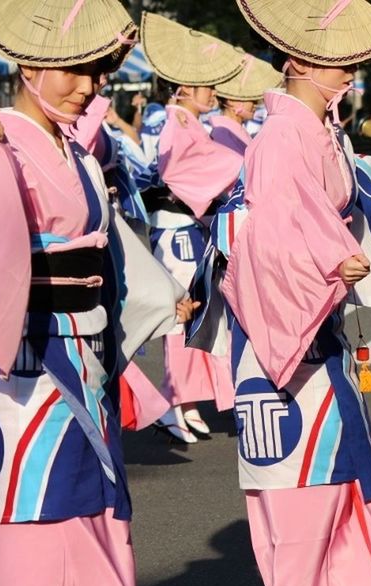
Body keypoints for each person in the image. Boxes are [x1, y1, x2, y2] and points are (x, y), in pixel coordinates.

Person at [0, 0, 186, 586]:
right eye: (73, 70)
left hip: (84, 357)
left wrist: (153, 295)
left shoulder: (72, 149)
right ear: (30, 67)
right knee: (24, 538)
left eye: (94, 71)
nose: (88, 85)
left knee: (88, 521)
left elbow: (103, 250)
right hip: (26, 367)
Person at [222, 0, 371, 586]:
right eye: (339, 62)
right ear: (299, 61)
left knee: (330, 477)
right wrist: (333, 260)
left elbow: (318, 216)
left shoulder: (315, 130)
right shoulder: (282, 135)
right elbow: (276, 234)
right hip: (287, 322)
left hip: (313, 316)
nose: (350, 73)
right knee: (301, 481)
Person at [140, 12, 244, 443]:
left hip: (191, 227)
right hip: (178, 228)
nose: (213, 93)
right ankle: (176, 398)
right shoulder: (174, 125)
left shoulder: (189, 124)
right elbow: (181, 174)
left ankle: (188, 398)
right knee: (182, 315)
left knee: (199, 312)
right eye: (206, 86)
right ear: (183, 87)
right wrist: (236, 167)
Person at [209, 54, 284, 156]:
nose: (255, 105)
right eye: (250, 99)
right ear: (231, 100)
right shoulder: (222, 133)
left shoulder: (231, 130)